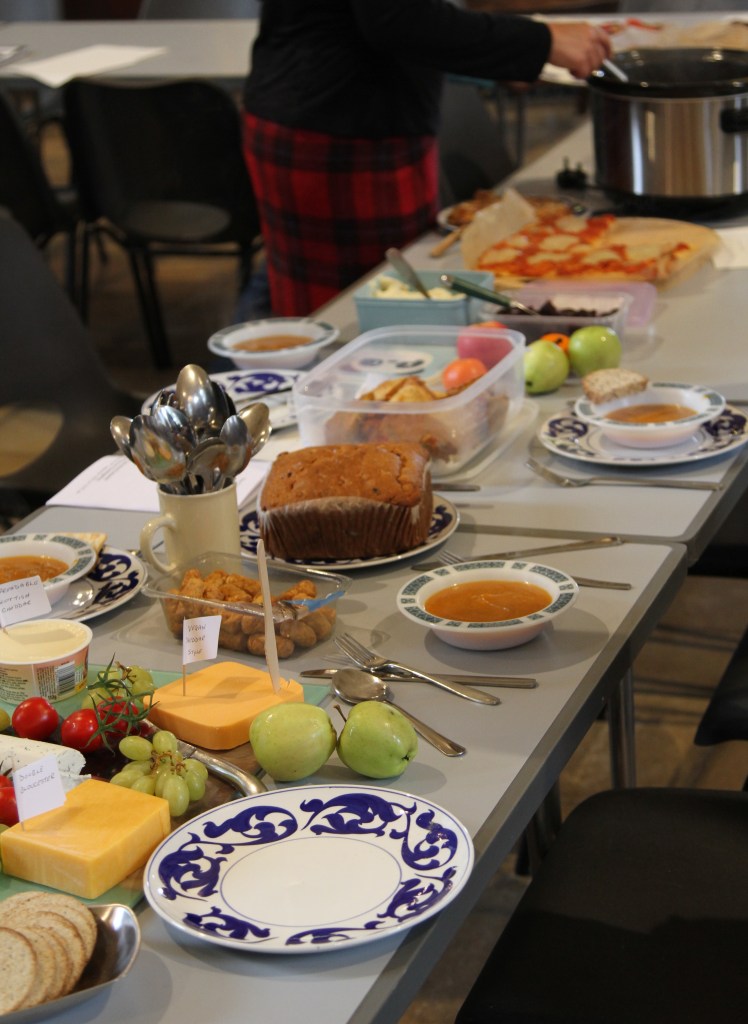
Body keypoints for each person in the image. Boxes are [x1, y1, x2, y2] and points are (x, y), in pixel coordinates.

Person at [241, 0, 611, 317]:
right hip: (338, 129)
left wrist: (504, 56)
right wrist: (539, 40)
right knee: (366, 318)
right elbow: (397, 19)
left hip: (337, 113)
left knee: (382, 309)